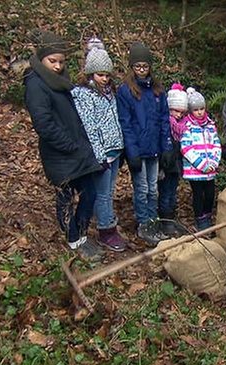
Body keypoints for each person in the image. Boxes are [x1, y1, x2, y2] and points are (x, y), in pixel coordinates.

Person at [24, 30, 102, 260]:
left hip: (77, 150)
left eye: (61, 61)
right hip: (60, 153)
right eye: (52, 61)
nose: (58, 66)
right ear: (42, 59)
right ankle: (73, 240)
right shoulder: (35, 84)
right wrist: (68, 144)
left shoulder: (61, 82)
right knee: (66, 198)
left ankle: (81, 233)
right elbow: (44, 123)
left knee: (90, 193)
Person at [71, 38, 126, 252]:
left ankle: (107, 221)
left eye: (107, 75)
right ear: (90, 74)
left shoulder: (110, 93)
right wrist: (99, 156)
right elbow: (90, 128)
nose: (104, 79)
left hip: (114, 151)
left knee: (109, 192)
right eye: (100, 75)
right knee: (102, 194)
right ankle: (106, 231)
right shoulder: (84, 95)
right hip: (101, 154)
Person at [116, 42, 172, 245]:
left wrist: (166, 147)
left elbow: (164, 119)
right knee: (141, 188)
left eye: (145, 67)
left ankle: (153, 221)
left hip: (155, 149)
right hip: (138, 149)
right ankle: (143, 223)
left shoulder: (157, 90)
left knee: (153, 188)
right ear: (132, 67)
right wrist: (132, 152)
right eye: (137, 66)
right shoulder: (125, 91)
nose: (141, 70)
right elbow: (126, 123)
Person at [180, 88, 222, 230]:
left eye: (202, 109)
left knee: (210, 194)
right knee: (198, 194)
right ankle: (200, 218)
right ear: (191, 111)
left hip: (210, 168)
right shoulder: (188, 126)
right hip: (195, 170)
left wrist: (214, 162)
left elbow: (216, 144)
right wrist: (202, 164)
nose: (199, 112)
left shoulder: (210, 125)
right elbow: (186, 148)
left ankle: (208, 215)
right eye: (196, 109)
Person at [160, 82, 189, 237]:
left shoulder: (182, 127)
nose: (178, 115)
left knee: (172, 192)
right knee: (165, 193)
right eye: (175, 111)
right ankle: (165, 220)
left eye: (181, 112)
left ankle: (171, 216)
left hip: (176, 165)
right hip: (166, 165)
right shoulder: (165, 125)